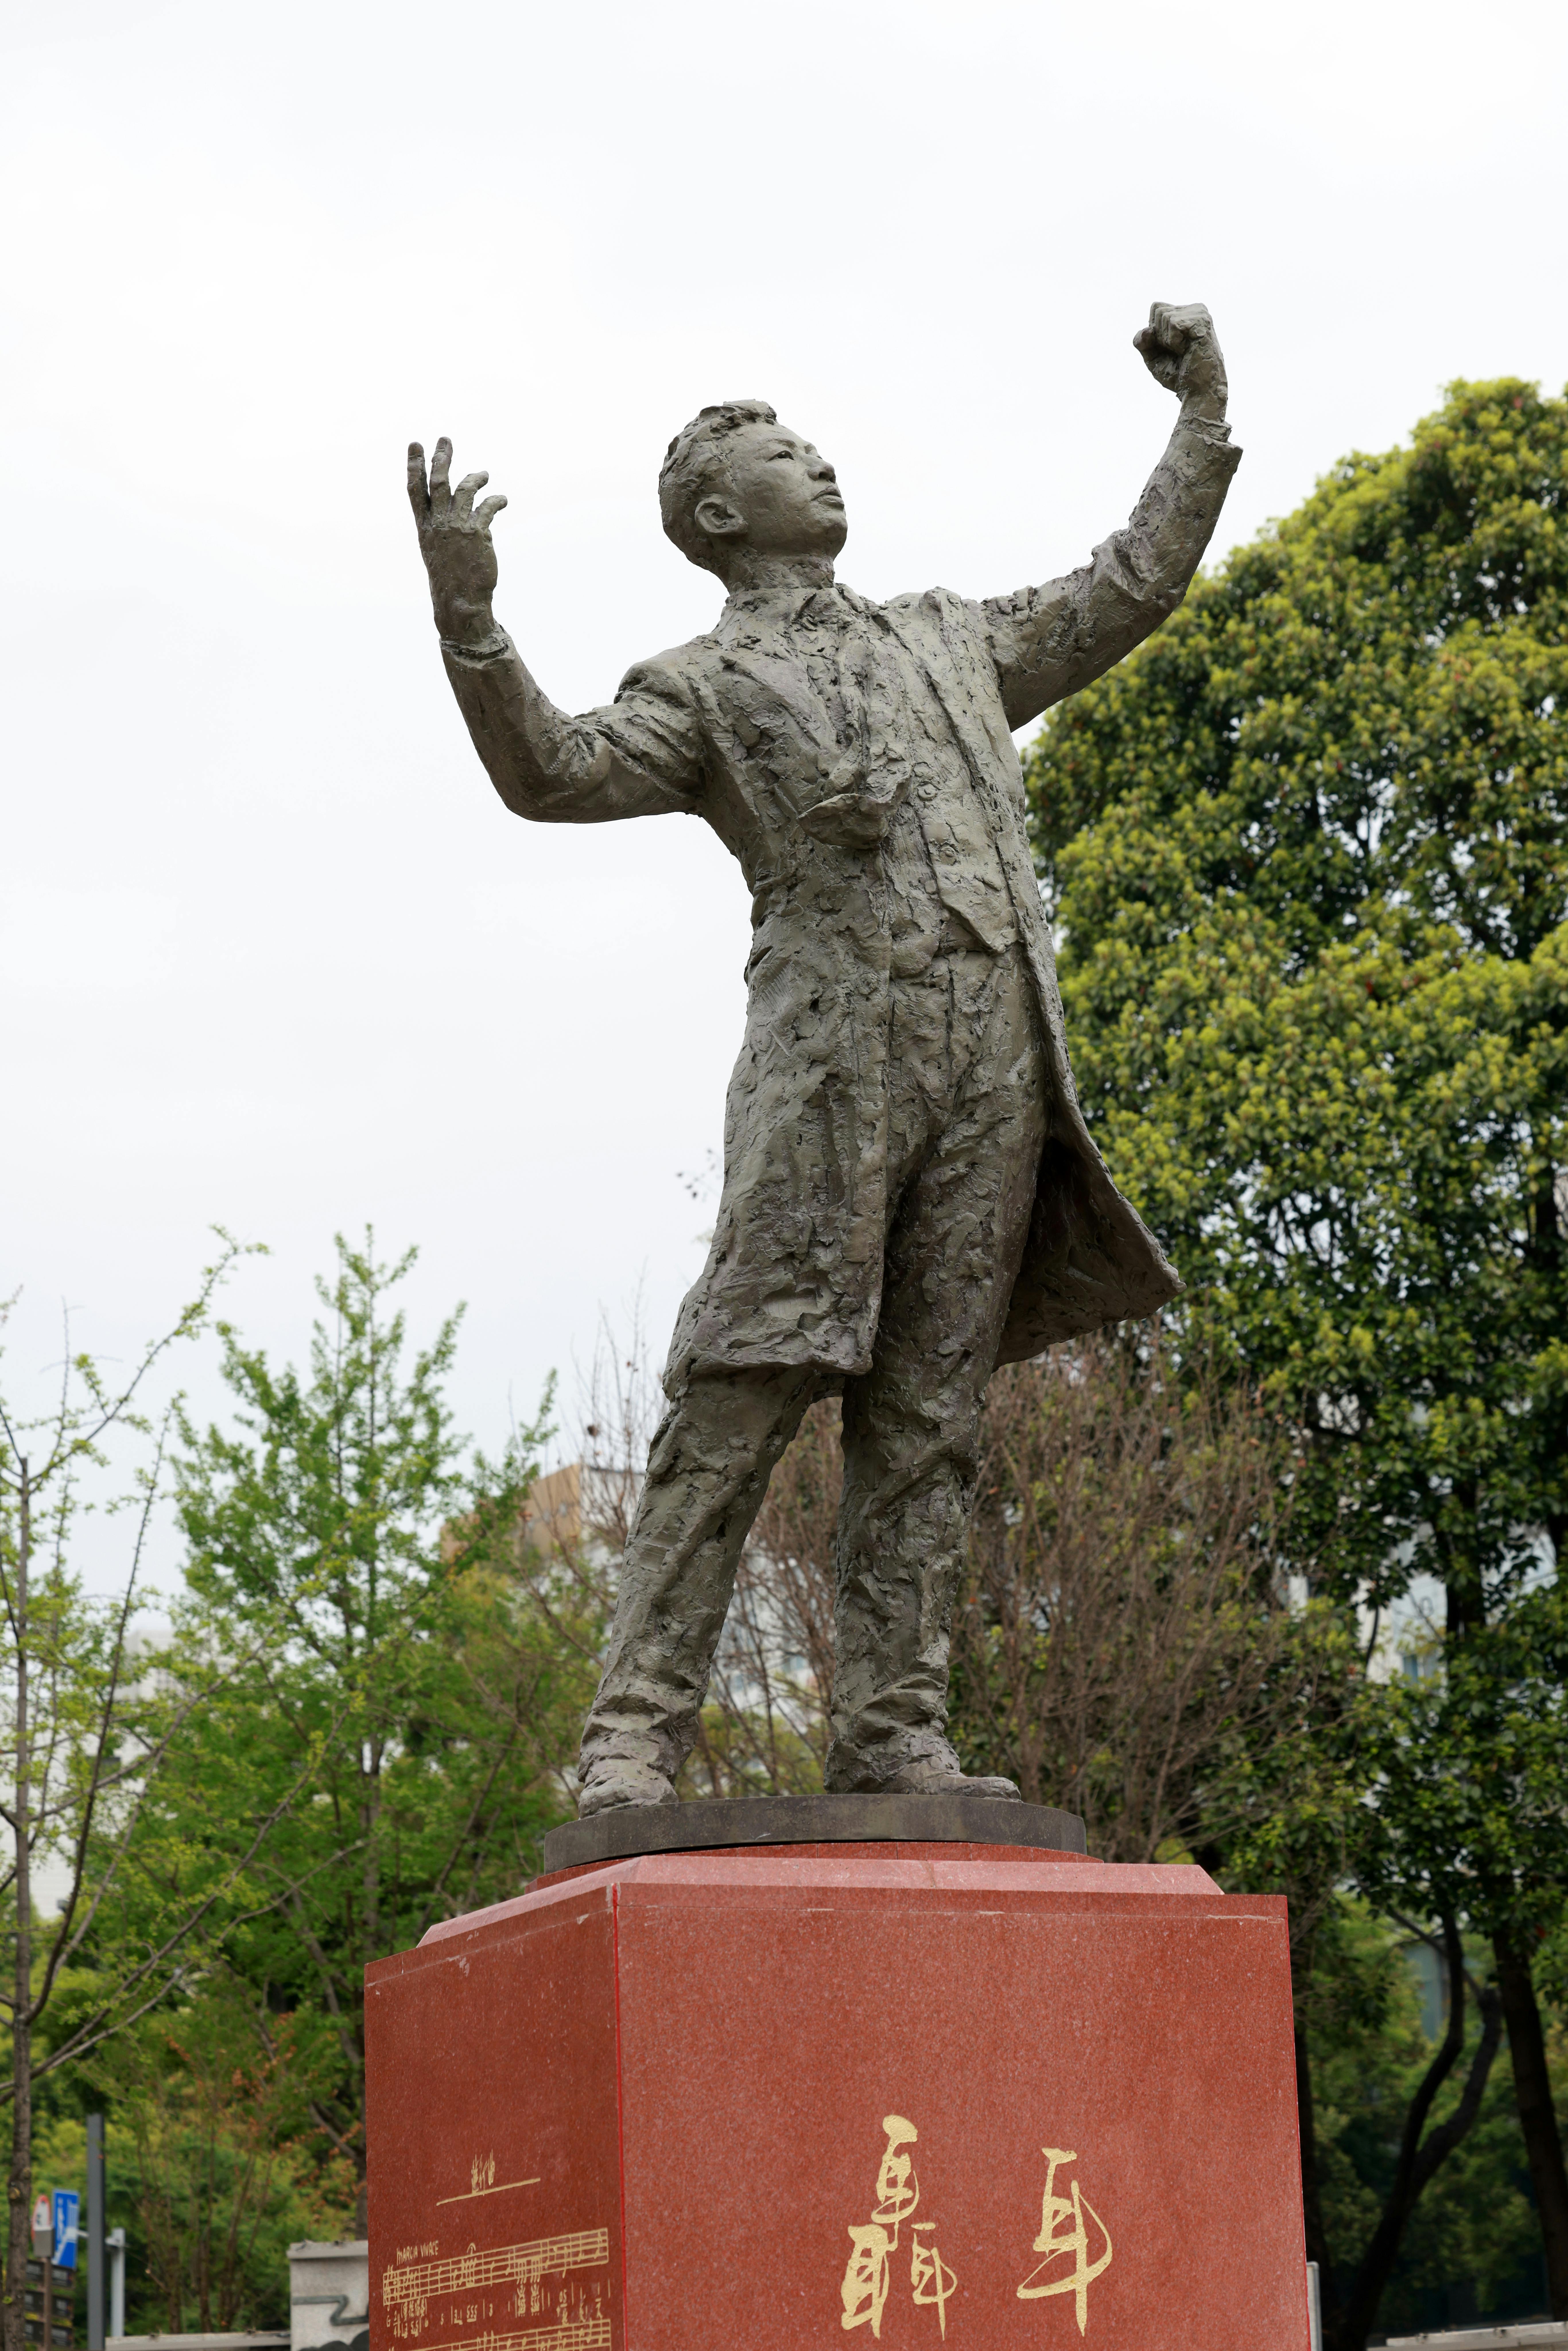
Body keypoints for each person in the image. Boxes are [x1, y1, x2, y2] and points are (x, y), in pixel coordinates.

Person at [408, 303, 1240, 1816]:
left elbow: (1127, 589)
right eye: (782, 453)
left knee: (929, 1413)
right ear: (722, 516)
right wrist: (472, 622)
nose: (818, 459)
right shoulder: (700, 686)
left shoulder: (946, 637)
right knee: (743, 1382)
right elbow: (554, 773)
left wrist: (1196, 429)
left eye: (814, 441)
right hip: (830, 1067)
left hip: (992, 1055)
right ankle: (632, 1736)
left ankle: (891, 1733)